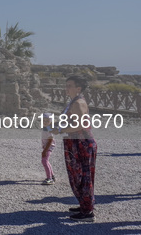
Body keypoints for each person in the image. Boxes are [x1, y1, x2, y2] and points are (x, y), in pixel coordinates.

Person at [54, 75, 97, 222]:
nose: (66, 88)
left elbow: (80, 125)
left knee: (83, 176)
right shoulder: (73, 101)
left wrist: (59, 130)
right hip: (75, 142)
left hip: (82, 143)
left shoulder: (78, 103)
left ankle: (88, 212)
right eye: (66, 85)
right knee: (76, 175)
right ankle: (85, 204)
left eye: (69, 85)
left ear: (78, 88)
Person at [41, 113, 56, 185]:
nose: (45, 122)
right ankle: (52, 176)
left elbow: (50, 141)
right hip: (46, 147)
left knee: (44, 161)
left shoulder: (49, 129)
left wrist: (45, 150)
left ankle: (49, 179)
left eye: (47, 120)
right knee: (46, 161)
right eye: (43, 120)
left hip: (48, 147)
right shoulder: (45, 128)